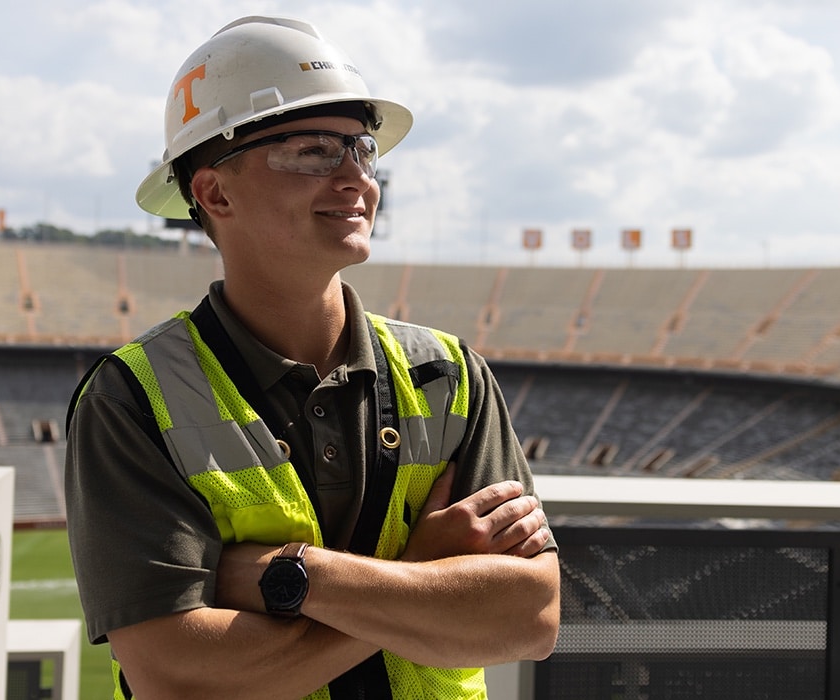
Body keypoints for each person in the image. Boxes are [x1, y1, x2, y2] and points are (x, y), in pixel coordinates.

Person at [65, 16, 559, 699]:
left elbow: (528, 617)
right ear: (214, 192)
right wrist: (422, 573)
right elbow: (175, 675)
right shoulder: (132, 399)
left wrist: (291, 576)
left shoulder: (447, 375)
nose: (356, 178)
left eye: (362, 149)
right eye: (313, 151)